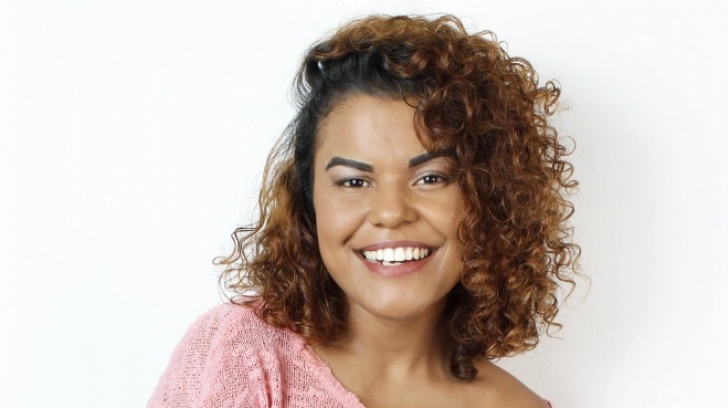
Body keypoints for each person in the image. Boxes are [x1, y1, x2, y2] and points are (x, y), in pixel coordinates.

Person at [148, 14, 579, 408]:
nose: (391, 213)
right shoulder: (239, 353)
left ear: (490, 196)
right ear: (308, 201)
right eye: (354, 182)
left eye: (431, 178)